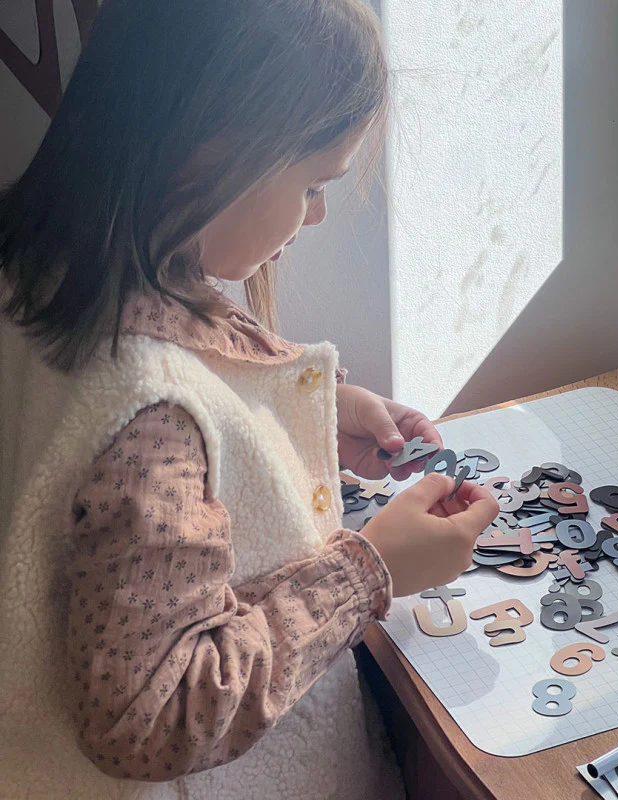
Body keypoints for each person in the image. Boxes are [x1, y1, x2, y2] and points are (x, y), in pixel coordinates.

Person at [0, 1, 499, 798]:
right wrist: (371, 570)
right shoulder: (151, 413)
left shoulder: (49, 263)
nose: (319, 212)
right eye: (312, 184)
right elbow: (151, 713)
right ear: (213, 149)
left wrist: (310, 413)